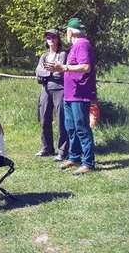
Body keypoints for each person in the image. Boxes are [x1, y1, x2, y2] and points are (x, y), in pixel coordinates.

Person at [46, 18, 97, 175]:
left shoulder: (82, 44)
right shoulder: (74, 46)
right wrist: (59, 69)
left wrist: (64, 67)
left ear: (70, 31)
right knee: (71, 128)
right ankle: (74, 157)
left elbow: (86, 67)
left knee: (82, 129)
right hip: (70, 94)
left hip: (80, 94)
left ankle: (88, 163)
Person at [34, 28, 68, 159]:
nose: (51, 39)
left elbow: (60, 73)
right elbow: (37, 72)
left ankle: (63, 151)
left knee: (61, 120)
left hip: (60, 89)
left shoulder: (63, 54)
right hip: (45, 89)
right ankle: (47, 148)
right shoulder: (44, 55)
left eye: (53, 37)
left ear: (58, 39)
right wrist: (50, 72)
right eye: (48, 37)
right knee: (44, 119)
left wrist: (48, 72)